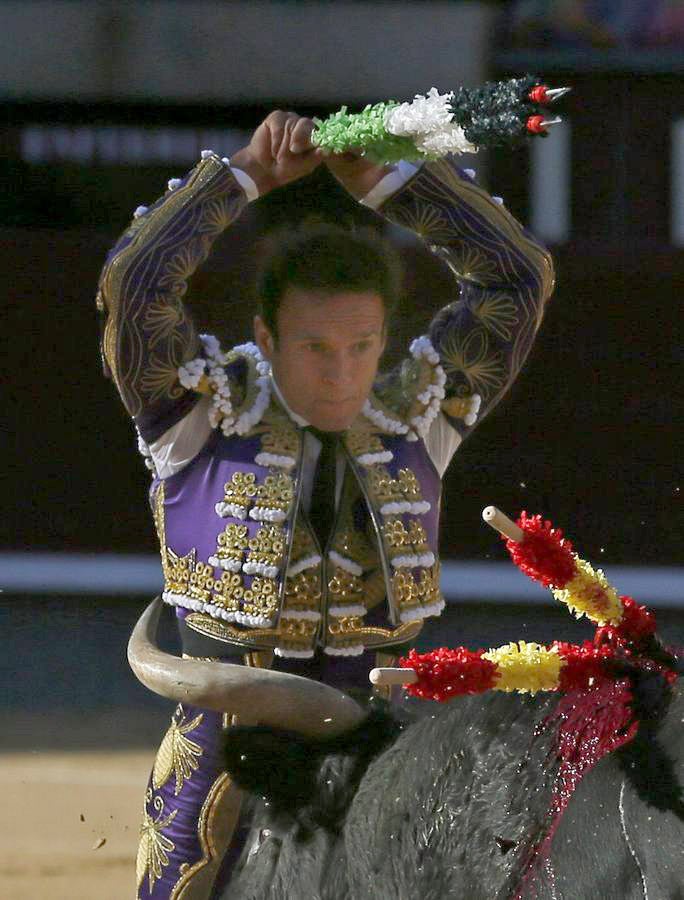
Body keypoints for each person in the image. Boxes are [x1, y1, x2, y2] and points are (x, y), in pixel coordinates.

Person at [97, 110, 554, 899]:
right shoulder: (201, 412)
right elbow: (136, 287)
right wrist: (242, 177)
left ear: (384, 340)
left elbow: (518, 279)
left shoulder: (418, 412)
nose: (341, 373)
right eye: (314, 347)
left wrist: (395, 183)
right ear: (266, 337)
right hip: (231, 741)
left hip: (384, 737)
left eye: (361, 347)